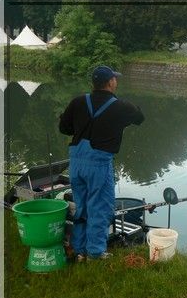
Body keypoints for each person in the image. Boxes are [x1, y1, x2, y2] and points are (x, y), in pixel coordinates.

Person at [59, 65, 145, 261]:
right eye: (115, 79)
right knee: (100, 208)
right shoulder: (121, 106)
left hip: (76, 163)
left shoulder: (78, 101)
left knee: (81, 206)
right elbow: (140, 118)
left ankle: (79, 249)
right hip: (98, 165)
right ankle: (96, 253)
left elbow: (64, 128)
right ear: (110, 82)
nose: (116, 81)